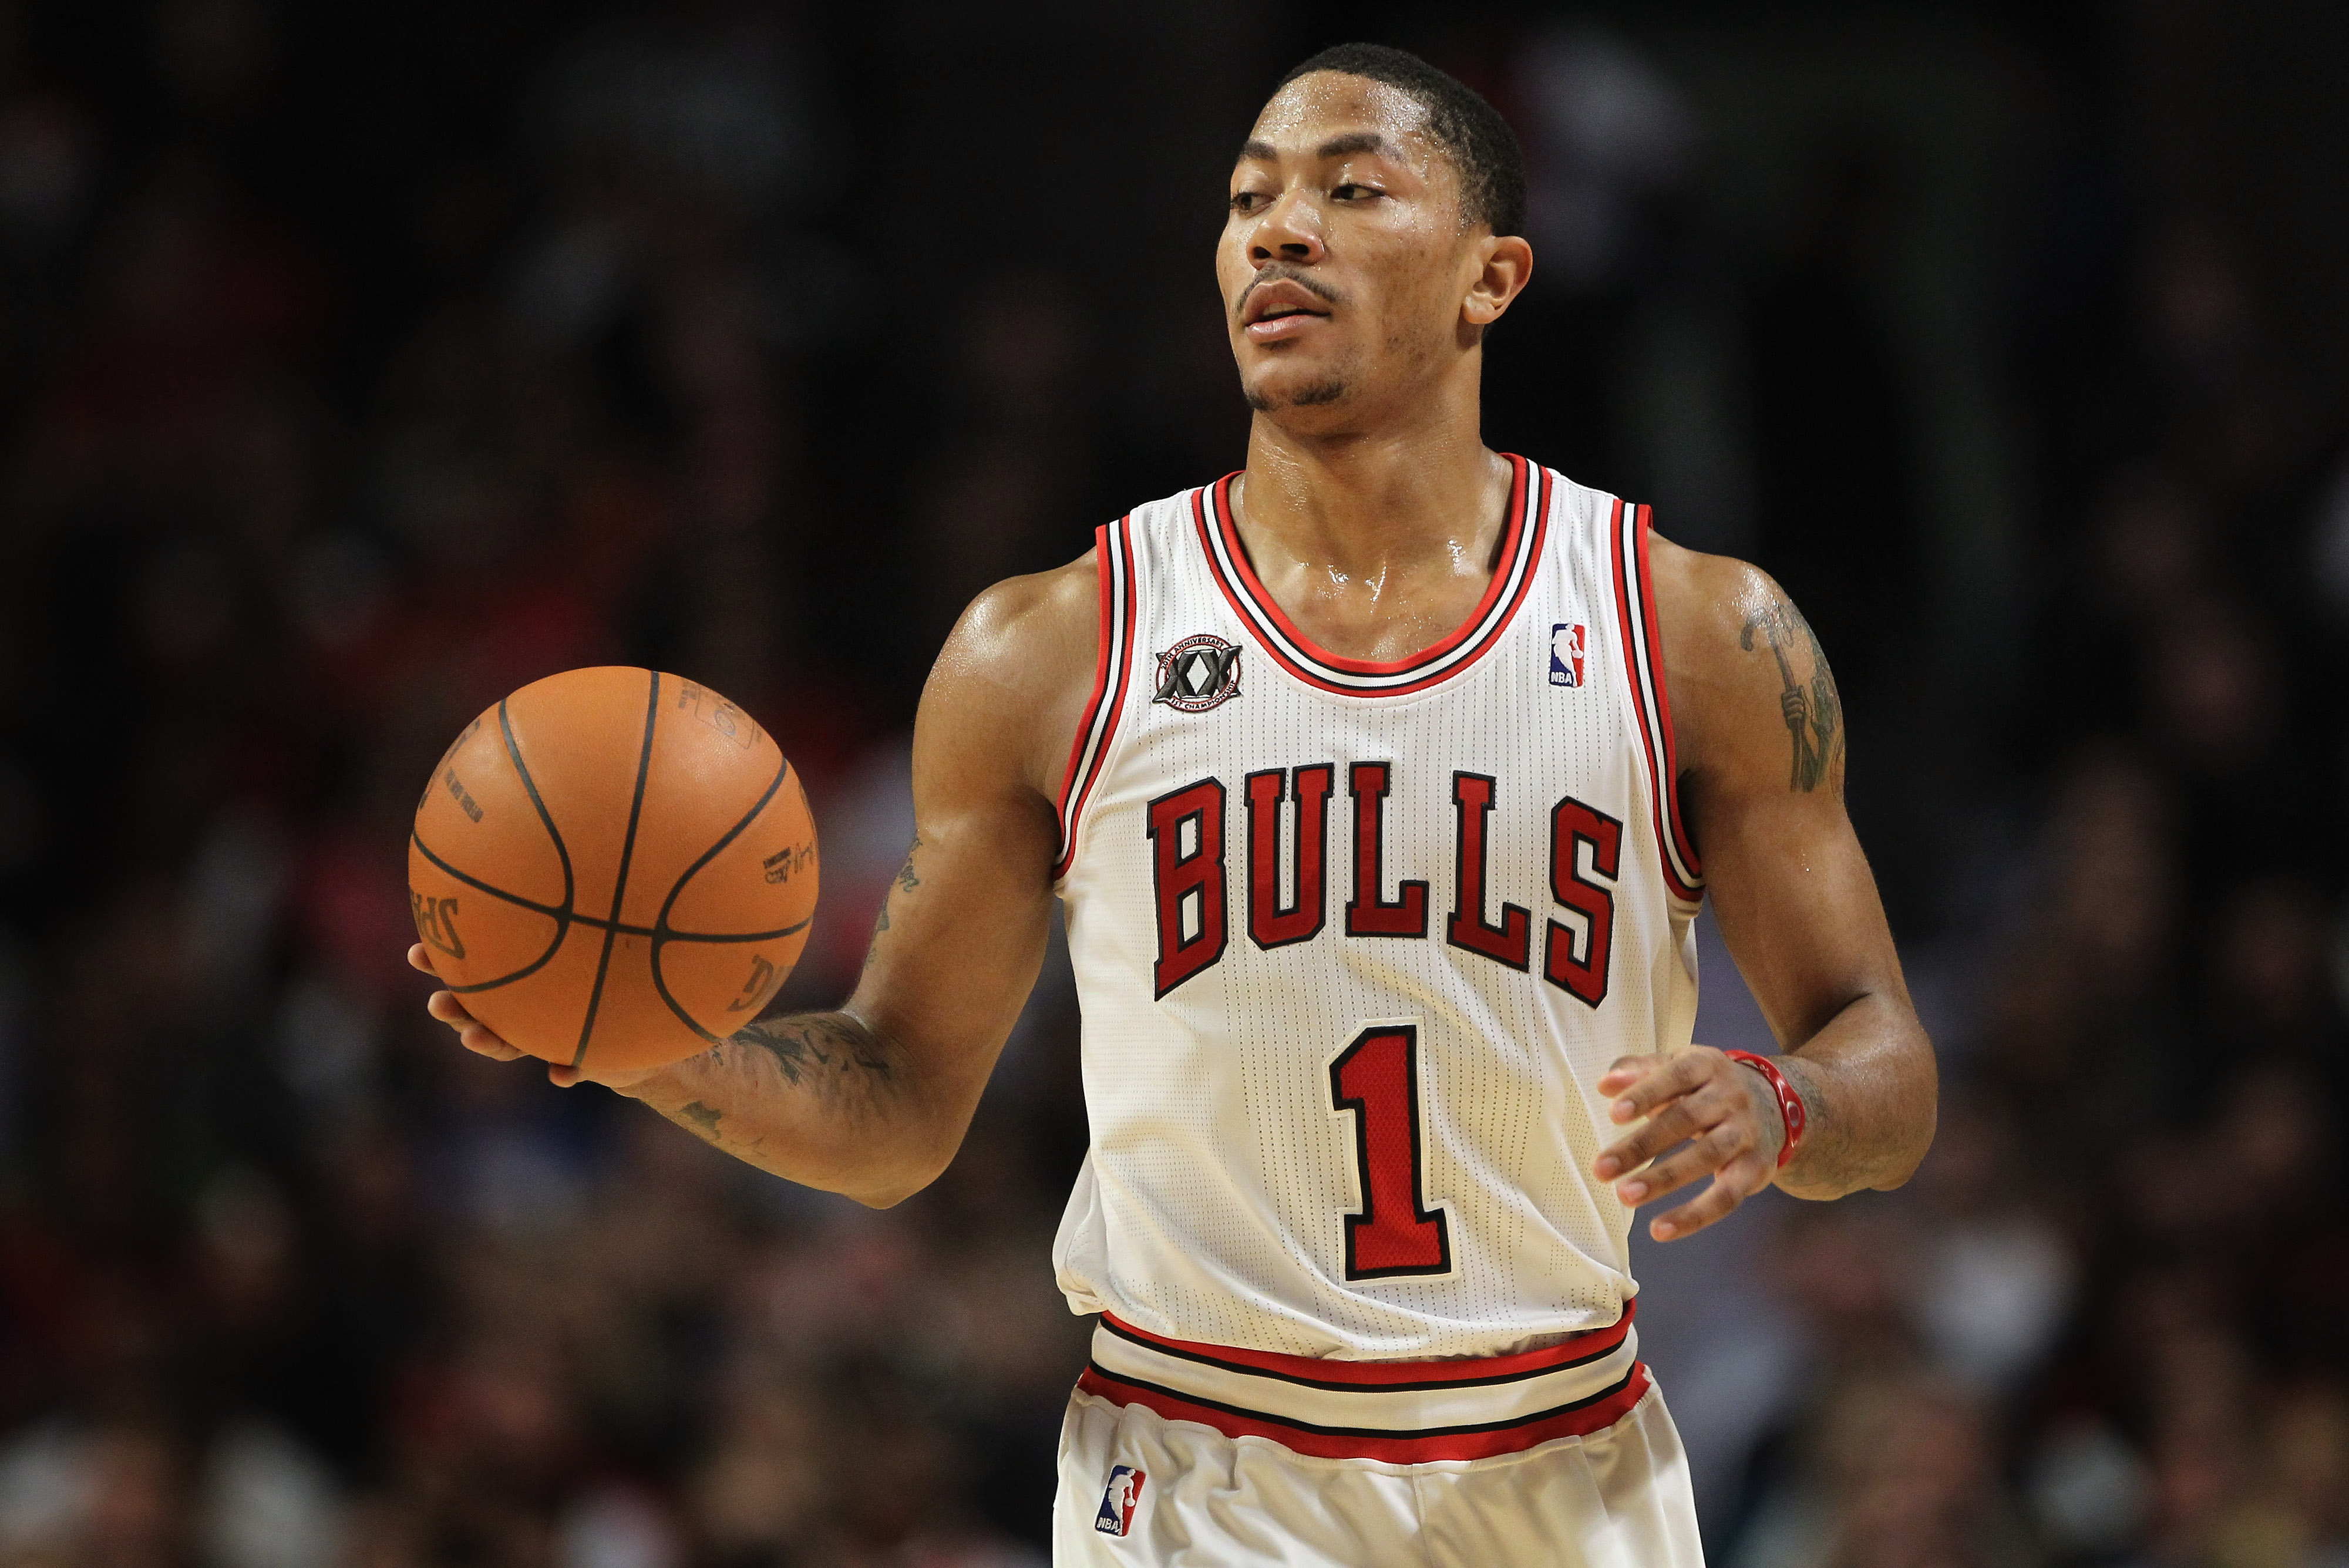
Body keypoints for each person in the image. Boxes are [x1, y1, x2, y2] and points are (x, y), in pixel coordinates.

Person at [412, 41, 1936, 1566]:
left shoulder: (1696, 634)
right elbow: (896, 1108)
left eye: (1352, 191)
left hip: (1553, 1460)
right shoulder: (1049, 651)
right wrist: (645, 1042)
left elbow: (1884, 1054)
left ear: (1493, 277)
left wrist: (1784, 1102)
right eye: (1250, 199)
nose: (1282, 231)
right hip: (1200, 1473)